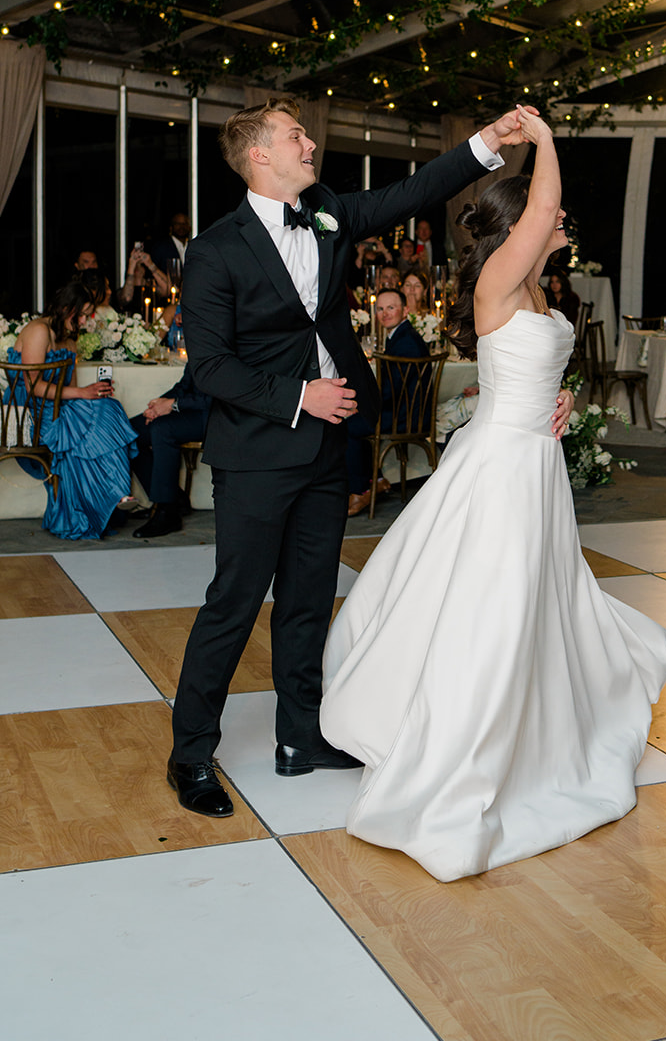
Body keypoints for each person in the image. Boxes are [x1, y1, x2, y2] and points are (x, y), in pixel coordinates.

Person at [320, 108, 666, 883]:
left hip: (533, 460)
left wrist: (567, 404)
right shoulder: (496, 279)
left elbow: (538, 366)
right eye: (548, 216)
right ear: (523, 225)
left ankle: (532, 724)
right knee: (498, 601)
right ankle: (469, 744)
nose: (561, 221)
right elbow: (544, 206)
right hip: (502, 466)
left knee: (535, 597)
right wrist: (541, 140)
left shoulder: (539, 292)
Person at [167, 95, 528, 820]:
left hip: (331, 445)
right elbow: (210, 367)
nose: (309, 144)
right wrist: (299, 397)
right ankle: (189, 753)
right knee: (232, 605)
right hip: (260, 451)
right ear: (259, 155)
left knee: (307, 602)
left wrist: (487, 141)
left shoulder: (327, 208)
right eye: (294, 136)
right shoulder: (216, 250)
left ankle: (299, 737)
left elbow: (411, 192)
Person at [11, 281, 139, 540]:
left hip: (59, 407)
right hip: (33, 412)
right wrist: (83, 394)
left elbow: (70, 389)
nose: (84, 320)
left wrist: (91, 395)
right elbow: (33, 386)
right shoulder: (39, 330)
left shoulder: (69, 342)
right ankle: (111, 493)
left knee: (107, 406)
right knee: (94, 415)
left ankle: (115, 491)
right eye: (81, 314)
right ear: (66, 308)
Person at [346, 288, 431, 517]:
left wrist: (358, 404)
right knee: (356, 420)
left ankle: (360, 490)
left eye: (390, 308)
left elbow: (391, 391)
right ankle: (377, 479)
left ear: (405, 310)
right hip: (400, 412)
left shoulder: (406, 343)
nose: (384, 314)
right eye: (380, 309)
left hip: (405, 417)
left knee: (348, 425)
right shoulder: (401, 336)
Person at [127, 363, 211, 538]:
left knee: (162, 429)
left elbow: (220, 397)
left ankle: (167, 511)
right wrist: (156, 407)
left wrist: (173, 405)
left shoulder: (227, 342)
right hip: (193, 409)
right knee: (130, 432)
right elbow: (184, 386)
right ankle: (174, 499)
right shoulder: (200, 339)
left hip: (218, 415)